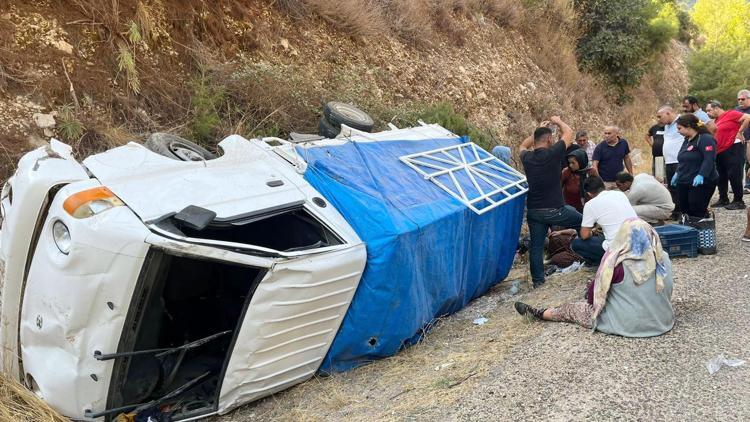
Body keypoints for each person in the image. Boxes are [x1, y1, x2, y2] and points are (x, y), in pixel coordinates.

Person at [514, 219, 674, 338]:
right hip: (662, 321)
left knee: (573, 309)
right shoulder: (663, 258)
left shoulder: (616, 265)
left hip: (629, 325)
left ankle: (540, 313)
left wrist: (595, 287)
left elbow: (593, 300)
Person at [520, 116, 582, 288]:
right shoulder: (553, 153)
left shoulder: (527, 157)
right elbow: (569, 133)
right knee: (583, 221)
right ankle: (589, 254)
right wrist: (558, 121)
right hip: (555, 209)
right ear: (549, 139)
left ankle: (538, 282)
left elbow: (522, 146)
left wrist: (536, 131)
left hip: (534, 210)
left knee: (536, 246)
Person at [571, 176, 637, 266]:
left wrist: (591, 232)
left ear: (589, 194)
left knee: (576, 244)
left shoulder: (590, 205)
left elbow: (584, 235)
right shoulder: (620, 194)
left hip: (618, 249)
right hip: (637, 240)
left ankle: (601, 263)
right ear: (604, 186)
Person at [670, 113, 719, 219]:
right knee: (685, 210)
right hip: (684, 180)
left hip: (700, 182)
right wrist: (677, 173)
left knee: (696, 209)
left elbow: (709, 159)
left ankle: (702, 231)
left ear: (688, 126)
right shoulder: (687, 140)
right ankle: (689, 231)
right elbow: (683, 159)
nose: (678, 131)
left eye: (679, 128)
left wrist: (701, 174)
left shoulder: (705, 139)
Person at [705, 100, 750, 210]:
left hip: (733, 148)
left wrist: (740, 132)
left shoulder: (731, 113)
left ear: (717, 108)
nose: (707, 113)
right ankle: (723, 199)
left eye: (709, 110)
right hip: (720, 151)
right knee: (721, 176)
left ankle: (738, 201)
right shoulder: (716, 121)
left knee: (734, 175)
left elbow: (747, 117)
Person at [657, 106, 683, 218]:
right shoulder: (667, 126)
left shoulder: (682, 121)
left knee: (680, 186)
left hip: (679, 160)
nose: (658, 119)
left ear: (668, 113)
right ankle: (676, 210)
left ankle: (683, 210)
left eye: (660, 116)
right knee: (672, 187)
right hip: (669, 161)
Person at [736, 89, 750, 193]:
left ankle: (748, 185)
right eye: (739, 99)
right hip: (739, 140)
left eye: (743, 99)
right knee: (739, 163)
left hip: (749, 140)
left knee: (749, 163)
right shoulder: (736, 110)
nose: (740, 101)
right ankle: (739, 185)